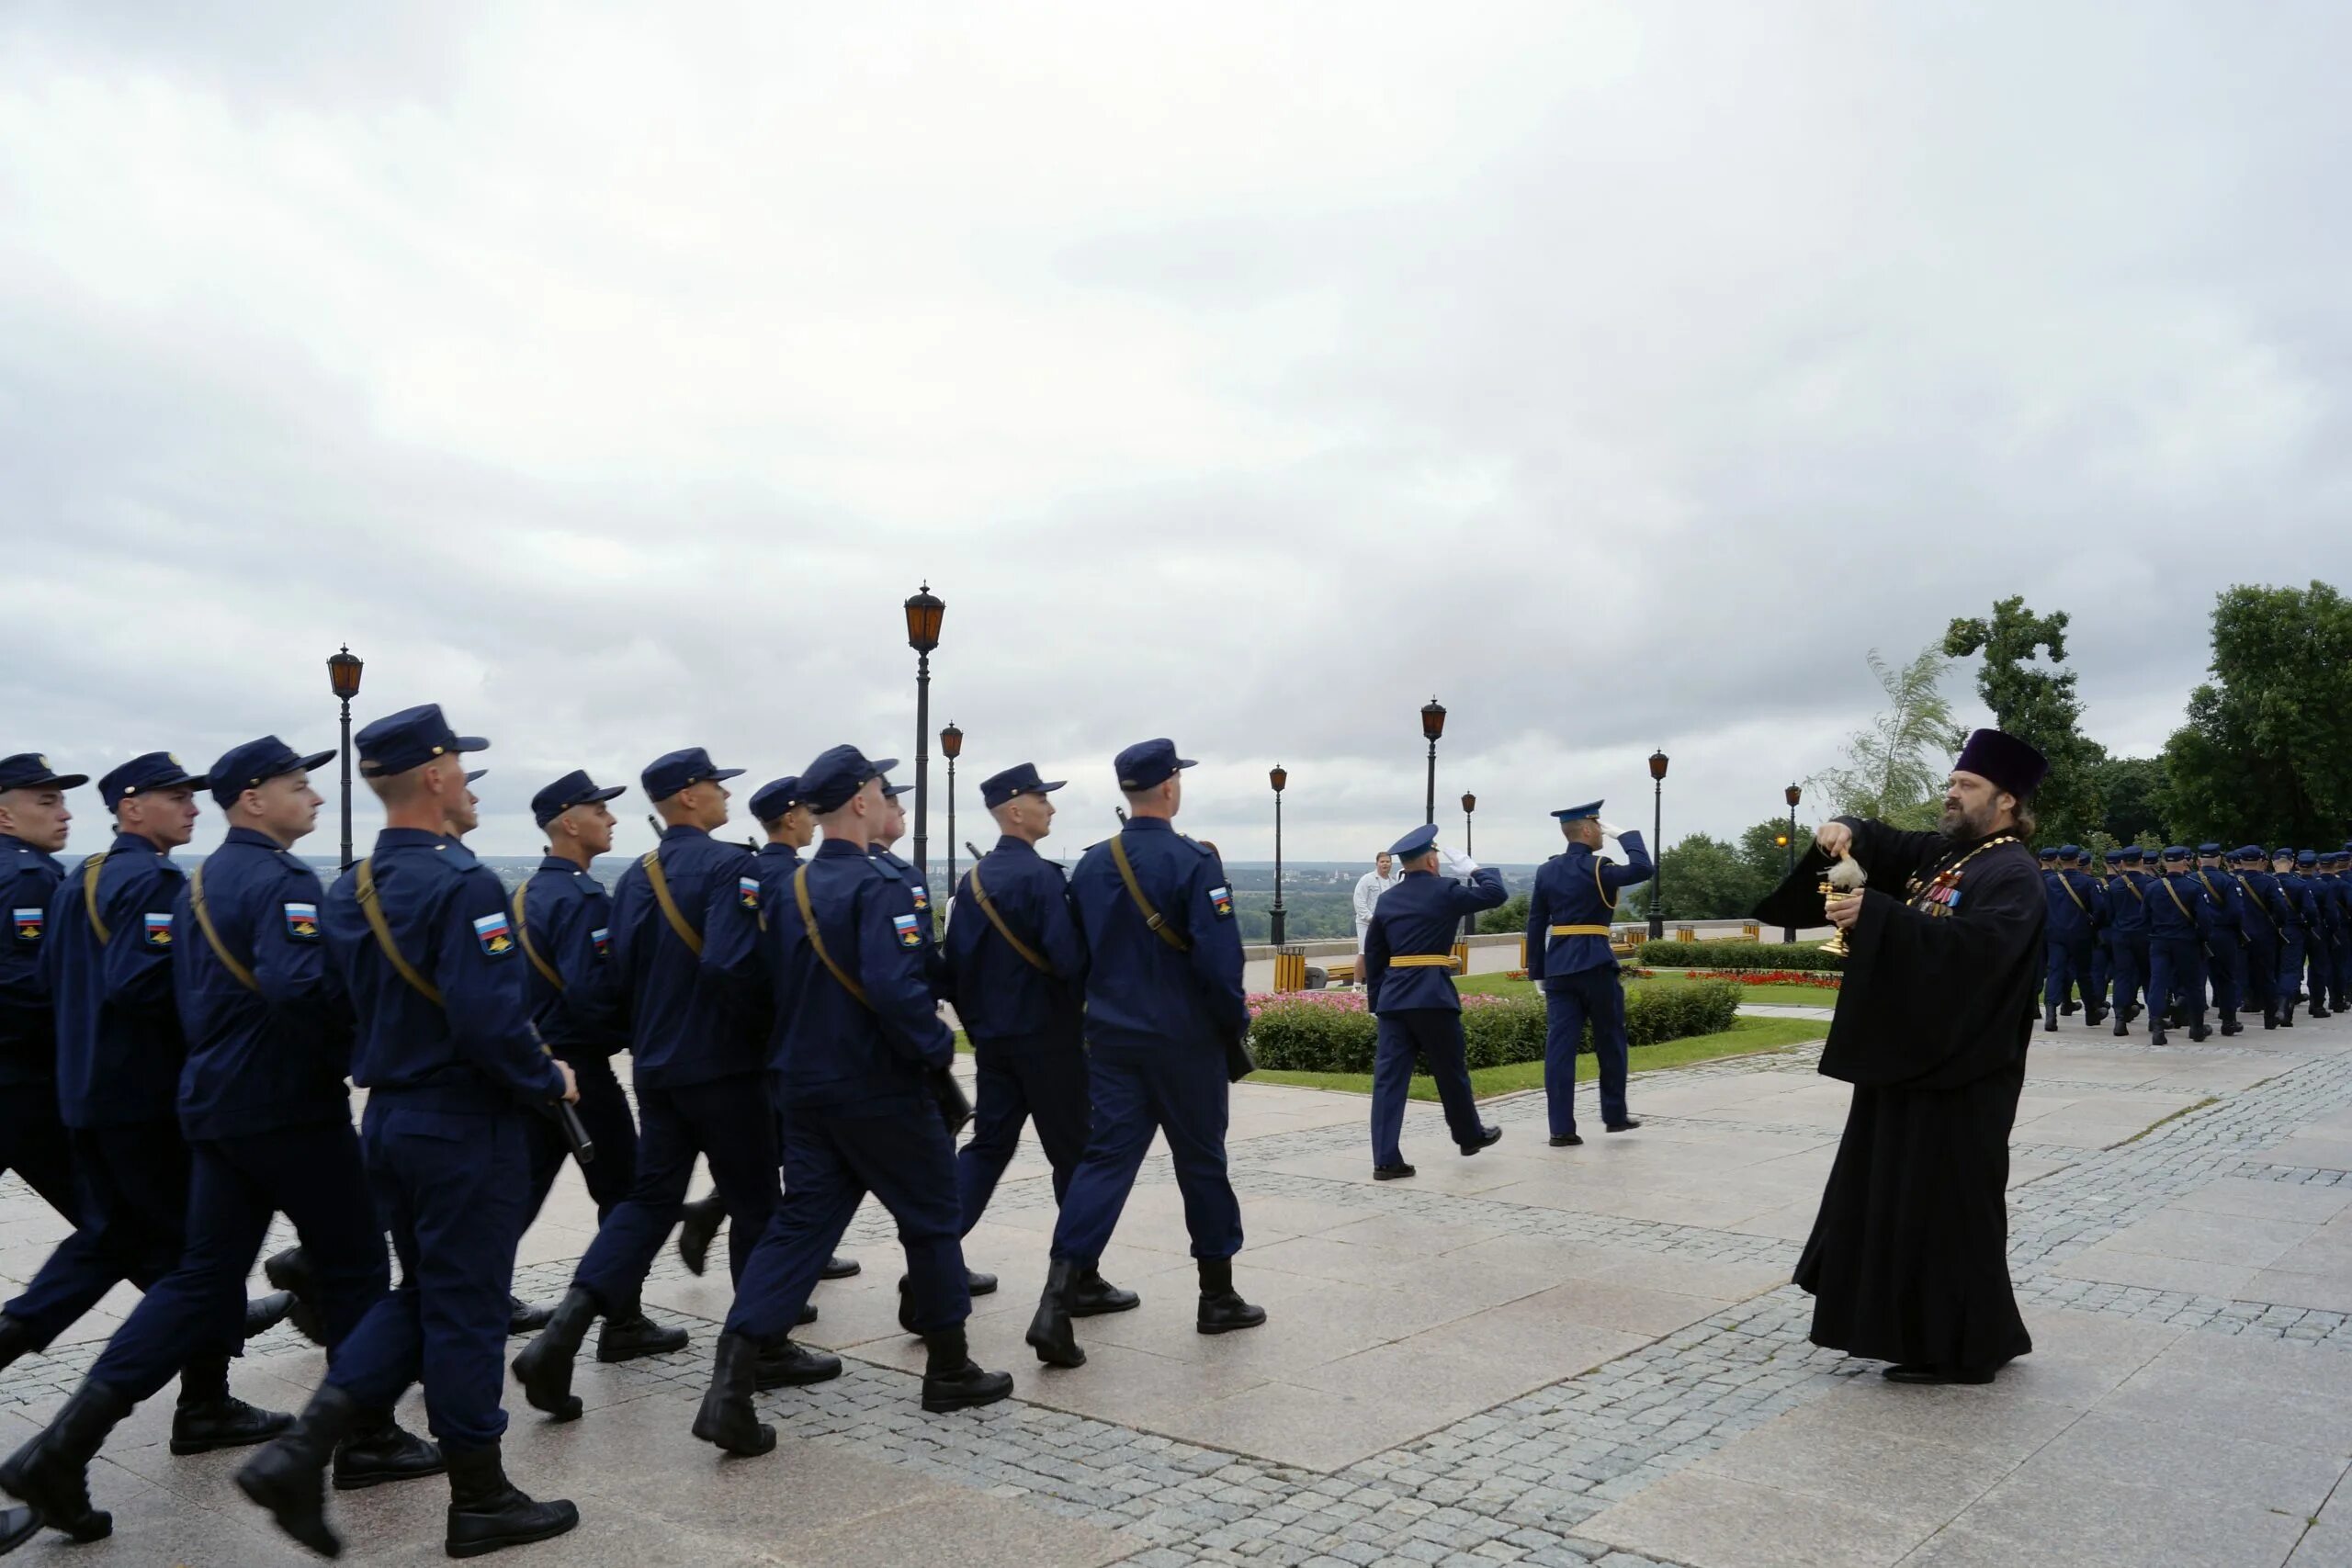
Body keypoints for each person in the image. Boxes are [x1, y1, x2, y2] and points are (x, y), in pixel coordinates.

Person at [3, 739, 442, 1548]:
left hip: (205, 1104)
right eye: (298, 785)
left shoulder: (203, 877)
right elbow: (295, 986)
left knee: (196, 1275)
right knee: (352, 1266)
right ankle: (368, 1436)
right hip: (279, 1104)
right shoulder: (269, 880)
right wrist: (362, 1045)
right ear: (256, 798)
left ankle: (59, 1447)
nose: (313, 796)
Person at [234, 705, 580, 1559]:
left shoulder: (348, 884)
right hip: (463, 1123)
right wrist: (549, 1077)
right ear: (433, 775)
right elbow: (490, 1021)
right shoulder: (464, 883)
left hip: (389, 1114)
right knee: (464, 1309)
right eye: (460, 766)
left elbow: (324, 999)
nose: (467, 782)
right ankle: (481, 1495)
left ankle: (306, 1446)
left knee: (420, 1293)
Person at [0, 753, 294, 1539]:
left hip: (83, 1097)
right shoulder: (138, 884)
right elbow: (140, 986)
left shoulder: (82, 877)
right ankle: (187, 1406)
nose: (190, 807)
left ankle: (196, 1393)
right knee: (193, 1260)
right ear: (133, 808)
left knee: (120, 1242)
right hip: (136, 1102)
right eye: (174, 796)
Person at [692, 746, 1008, 1456]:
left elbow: (745, 971)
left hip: (803, 1085)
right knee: (930, 1218)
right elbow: (899, 992)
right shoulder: (881, 886)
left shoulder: (787, 885)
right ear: (862, 800)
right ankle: (950, 1366)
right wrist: (934, 1045)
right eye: (879, 787)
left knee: (799, 1227)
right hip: (880, 1087)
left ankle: (729, 1385)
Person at [514, 748, 796, 1421]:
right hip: (725, 1066)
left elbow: (616, 979)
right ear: (690, 798)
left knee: (644, 1202)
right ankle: (766, 1347)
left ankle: (563, 1332)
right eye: (716, 786)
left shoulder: (636, 876)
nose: (727, 795)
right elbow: (733, 966)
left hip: (657, 1068)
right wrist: (767, 1028)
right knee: (759, 1203)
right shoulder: (733, 865)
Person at [1761, 728, 2047, 1386]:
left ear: (2005, 800)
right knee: (1908, 1203)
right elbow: (1883, 840)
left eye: (1965, 786)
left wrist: (1884, 918)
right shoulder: (1951, 853)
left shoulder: (2012, 873)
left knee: (1954, 1209)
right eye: (1951, 782)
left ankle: (1964, 1350)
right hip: (1919, 1061)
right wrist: (1843, 827)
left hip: (1966, 1073)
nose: (1950, 794)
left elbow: (1978, 955)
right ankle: (1936, 1337)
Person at [1026, 739, 1261, 1369]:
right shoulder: (1193, 861)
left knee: (1103, 1162)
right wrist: (1233, 1022)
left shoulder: (1094, 864)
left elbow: (1074, 959)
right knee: (1202, 1162)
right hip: (1184, 1041)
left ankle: (1057, 1297)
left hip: (1111, 1038)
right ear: (1169, 787)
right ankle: (1218, 1296)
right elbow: (1219, 963)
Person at [945, 763, 1134, 1313]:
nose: (1050, 808)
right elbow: (1070, 961)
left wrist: (981, 1029)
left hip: (995, 1044)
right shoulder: (1042, 878)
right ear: (1014, 810)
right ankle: (1080, 1278)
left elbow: (953, 967)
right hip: (1050, 1042)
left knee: (986, 1149)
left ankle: (932, 1260)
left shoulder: (973, 880)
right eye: (1041, 799)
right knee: (1076, 1155)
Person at [673, 773, 863, 1289]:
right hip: (789, 1037)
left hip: (776, 1037)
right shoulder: (784, 876)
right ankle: (779, 1262)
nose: (814, 819)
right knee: (797, 1150)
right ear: (791, 816)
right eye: (808, 811)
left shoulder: (769, 871)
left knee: (786, 1146)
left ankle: (725, 1217)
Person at [0, 755, 89, 1557]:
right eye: (46, 800)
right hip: (25, 1091)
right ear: (5, 814)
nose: (61, 812)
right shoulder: (29, 880)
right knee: (114, 1224)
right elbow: (31, 990)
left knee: (119, 1227)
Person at [1362, 823, 1505, 1179]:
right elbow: (1495, 894)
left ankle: (1385, 1159)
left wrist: (1378, 1001)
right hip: (1432, 995)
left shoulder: (1388, 898)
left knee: (1388, 1081)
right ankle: (1468, 1135)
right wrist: (1473, 869)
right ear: (1430, 860)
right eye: (1436, 856)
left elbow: (1374, 954)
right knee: (1450, 1071)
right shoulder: (1446, 890)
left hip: (1394, 999)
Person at [1524, 802, 1652, 1145]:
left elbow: (1535, 924)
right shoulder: (1600, 868)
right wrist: (1628, 837)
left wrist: (1537, 969)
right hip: (1595, 964)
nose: (1602, 834)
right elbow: (1643, 868)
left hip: (1559, 969)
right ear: (1586, 830)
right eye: (1598, 828)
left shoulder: (1546, 871)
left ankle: (1561, 1129)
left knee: (1559, 1050)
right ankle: (1613, 1115)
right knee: (1610, 1042)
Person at [2143, 847, 2214, 1044]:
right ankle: (2197, 1028)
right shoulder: (2194, 887)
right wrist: (2201, 938)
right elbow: (2205, 920)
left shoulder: (2152, 888)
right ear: (2185, 862)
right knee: (2193, 985)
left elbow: (2144, 917)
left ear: (2165, 863)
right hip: (2186, 941)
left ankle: (2157, 1028)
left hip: (2159, 941)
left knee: (2158, 984)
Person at [2041, 844, 2105, 1031]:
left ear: (2060, 861)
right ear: (2077, 860)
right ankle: (2091, 1013)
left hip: (2055, 932)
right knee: (2084, 973)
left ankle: (2051, 1014)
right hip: (2080, 933)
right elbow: (2099, 909)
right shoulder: (2087, 882)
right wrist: (2094, 925)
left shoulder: (2050, 882)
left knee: (2055, 971)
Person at [2193, 844, 2249, 1036]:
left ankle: (2196, 1021)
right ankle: (2228, 1020)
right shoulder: (2228, 881)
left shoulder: (2190, 880)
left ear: (2198, 861)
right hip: (2223, 934)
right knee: (2226, 978)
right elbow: (2236, 912)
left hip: (2197, 935)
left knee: (2197, 979)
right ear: (2219, 860)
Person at [2231, 845, 2283, 1030]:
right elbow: (2280, 908)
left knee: (2236, 974)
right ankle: (2270, 1016)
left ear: (2241, 861)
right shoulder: (2269, 882)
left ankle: (2230, 1016)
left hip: (2238, 934)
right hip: (2263, 934)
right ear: (2261, 861)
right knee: (2267, 976)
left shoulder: (2232, 881)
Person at [2106, 847, 2152, 1034]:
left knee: (2122, 976)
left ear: (2123, 863)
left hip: (2121, 935)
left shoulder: (2115, 885)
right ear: (2142, 861)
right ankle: (2155, 1019)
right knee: (2149, 976)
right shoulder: (2151, 884)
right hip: (2145, 935)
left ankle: (2120, 1020)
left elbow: (2108, 914)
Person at [1352, 852, 1397, 986]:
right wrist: (1369, 918)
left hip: (1384, 924)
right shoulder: (1367, 879)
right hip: (1366, 923)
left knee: (1384, 953)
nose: (1385, 864)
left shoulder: (1392, 882)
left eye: (1387, 862)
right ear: (1377, 863)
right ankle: (1357, 985)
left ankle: (1381, 983)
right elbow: (1359, 900)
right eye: (1382, 862)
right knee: (1364, 952)